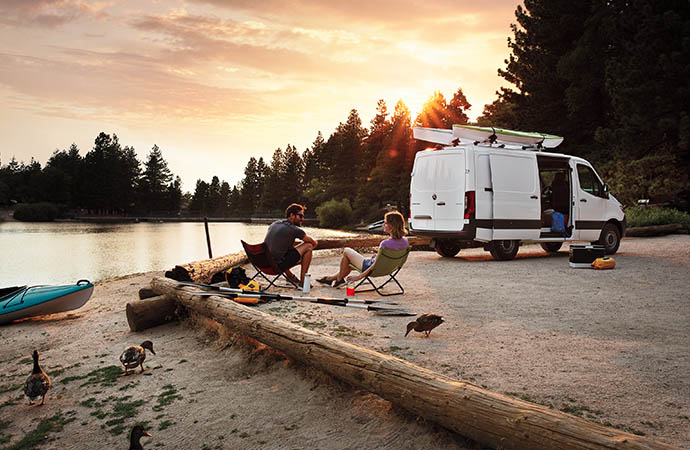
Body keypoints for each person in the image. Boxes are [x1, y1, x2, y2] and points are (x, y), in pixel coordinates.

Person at [317, 210, 409, 288]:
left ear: (392, 225)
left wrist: (358, 277)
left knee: (347, 251)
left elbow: (374, 266)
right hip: (388, 269)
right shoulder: (405, 242)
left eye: (385, 223)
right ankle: (331, 279)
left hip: (370, 268)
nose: (384, 224)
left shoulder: (385, 244)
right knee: (347, 263)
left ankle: (337, 279)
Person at [264, 203, 317, 288]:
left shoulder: (275, 224)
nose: (302, 219)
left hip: (264, 263)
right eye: (300, 216)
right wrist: (314, 244)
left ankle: (290, 276)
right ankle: (303, 282)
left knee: (282, 254)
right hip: (277, 267)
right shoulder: (294, 229)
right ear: (292, 215)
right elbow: (312, 243)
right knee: (308, 246)